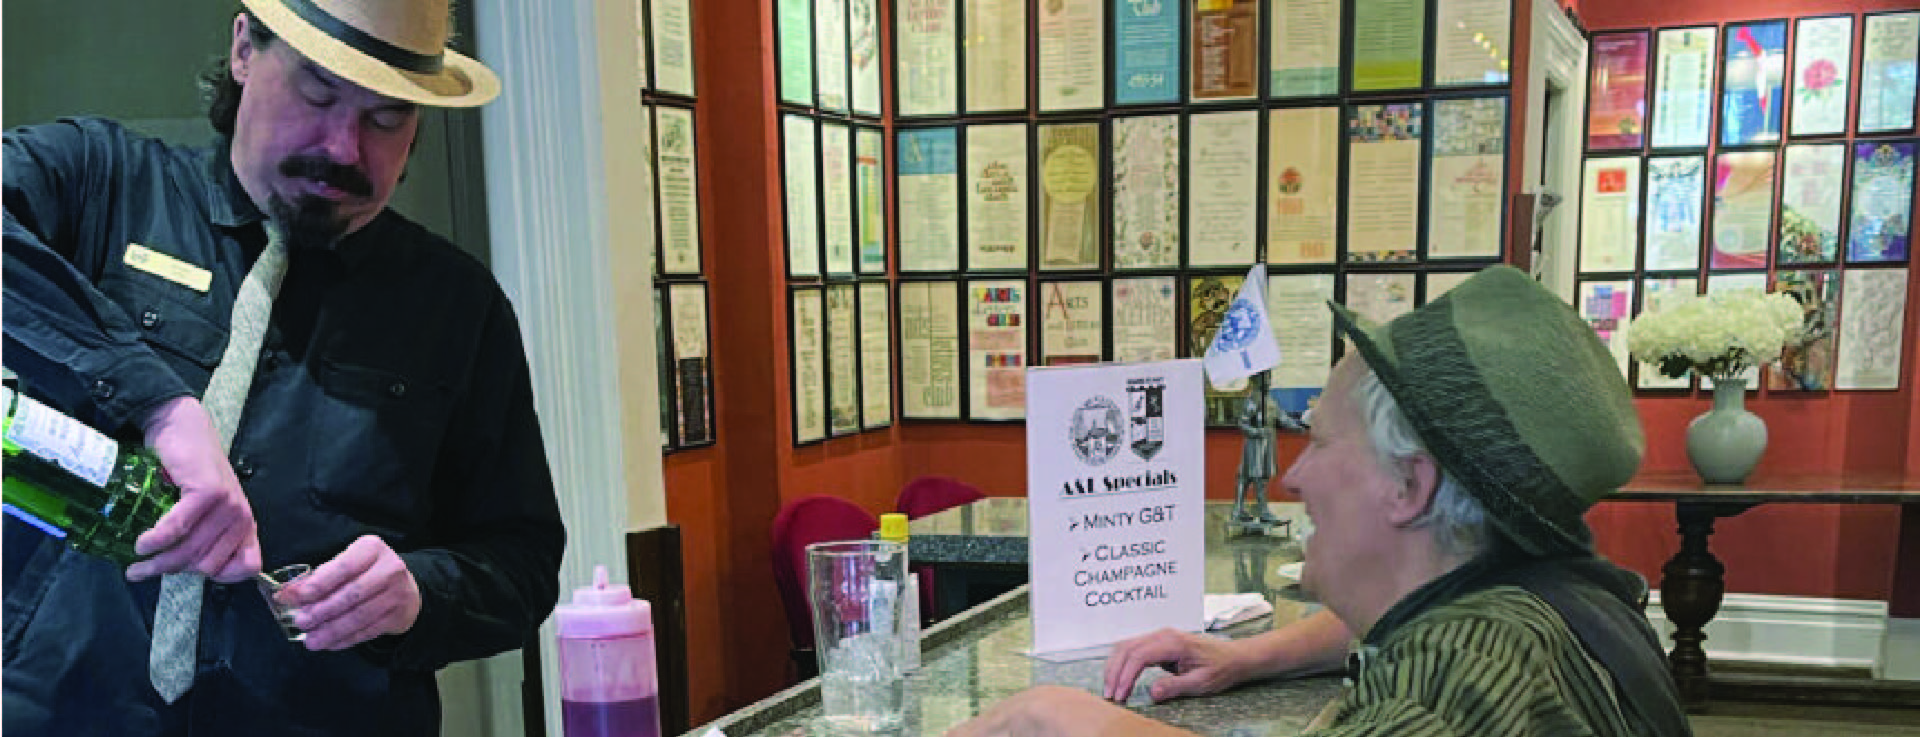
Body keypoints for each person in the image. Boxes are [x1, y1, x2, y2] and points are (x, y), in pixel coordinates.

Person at [2, 1, 566, 734]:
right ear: (244, 48)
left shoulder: (459, 308)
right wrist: (158, 405)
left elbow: (520, 564)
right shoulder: (102, 183)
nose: (343, 147)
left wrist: (421, 594)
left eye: (387, 118)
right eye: (318, 92)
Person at [947, 265, 1691, 737]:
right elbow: (1375, 620)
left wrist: (1074, 718)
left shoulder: (1473, 655)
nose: (1294, 477)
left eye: (1324, 442)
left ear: (1410, 485)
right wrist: (1246, 656)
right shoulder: (1525, 584)